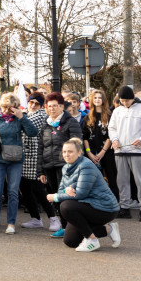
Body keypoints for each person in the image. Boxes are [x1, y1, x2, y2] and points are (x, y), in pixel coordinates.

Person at [49, 138, 121, 251]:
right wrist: (65, 192)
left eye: (70, 151)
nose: (66, 154)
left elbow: (81, 194)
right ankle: (109, 229)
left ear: (79, 153)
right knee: (70, 241)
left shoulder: (86, 166)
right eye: (64, 152)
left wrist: (56, 196)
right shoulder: (65, 168)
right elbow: (62, 189)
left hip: (105, 208)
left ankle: (91, 240)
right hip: (86, 205)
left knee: (66, 206)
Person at [0, 93, 38, 234]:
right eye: (5, 107)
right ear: (1, 105)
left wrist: (22, 117)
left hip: (15, 159)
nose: (8, 110)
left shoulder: (19, 118)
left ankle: (11, 223)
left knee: (13, 191)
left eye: (11, 108)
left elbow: (32, 132)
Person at [106, 85, 141, 222]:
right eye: (122, 100)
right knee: (122, 180)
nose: (124, 103)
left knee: (140, 180)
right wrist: (114, 140)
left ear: (132, 98)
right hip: (120, 150)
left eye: (127, 100)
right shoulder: (117, 111)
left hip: (137, 150)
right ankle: (124, 206)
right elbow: (112, 128)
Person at [40, 92, 82, 238]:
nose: (52, 109)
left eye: (55, 106)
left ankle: (72, 226)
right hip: (48, 166)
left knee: (66, 197)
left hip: (65, 166)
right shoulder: (45, 124)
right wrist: (41, 171)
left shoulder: (71, 122)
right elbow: (41, 148)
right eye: (49, 106)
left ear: (61, 107)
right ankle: (63, 226)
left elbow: (77, 144)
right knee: (55, 197)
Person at [19, 93, 54, 229]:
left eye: (36, 103)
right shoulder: (25, 114)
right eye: (31, 102)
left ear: (41, 105)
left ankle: (53, 218)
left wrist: (19, 116)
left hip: (35, 158)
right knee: (25, 189)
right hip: (24, 157)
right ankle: (35, 218)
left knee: (38, 189)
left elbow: (28, 125)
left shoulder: (40, 116)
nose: (33, 105)